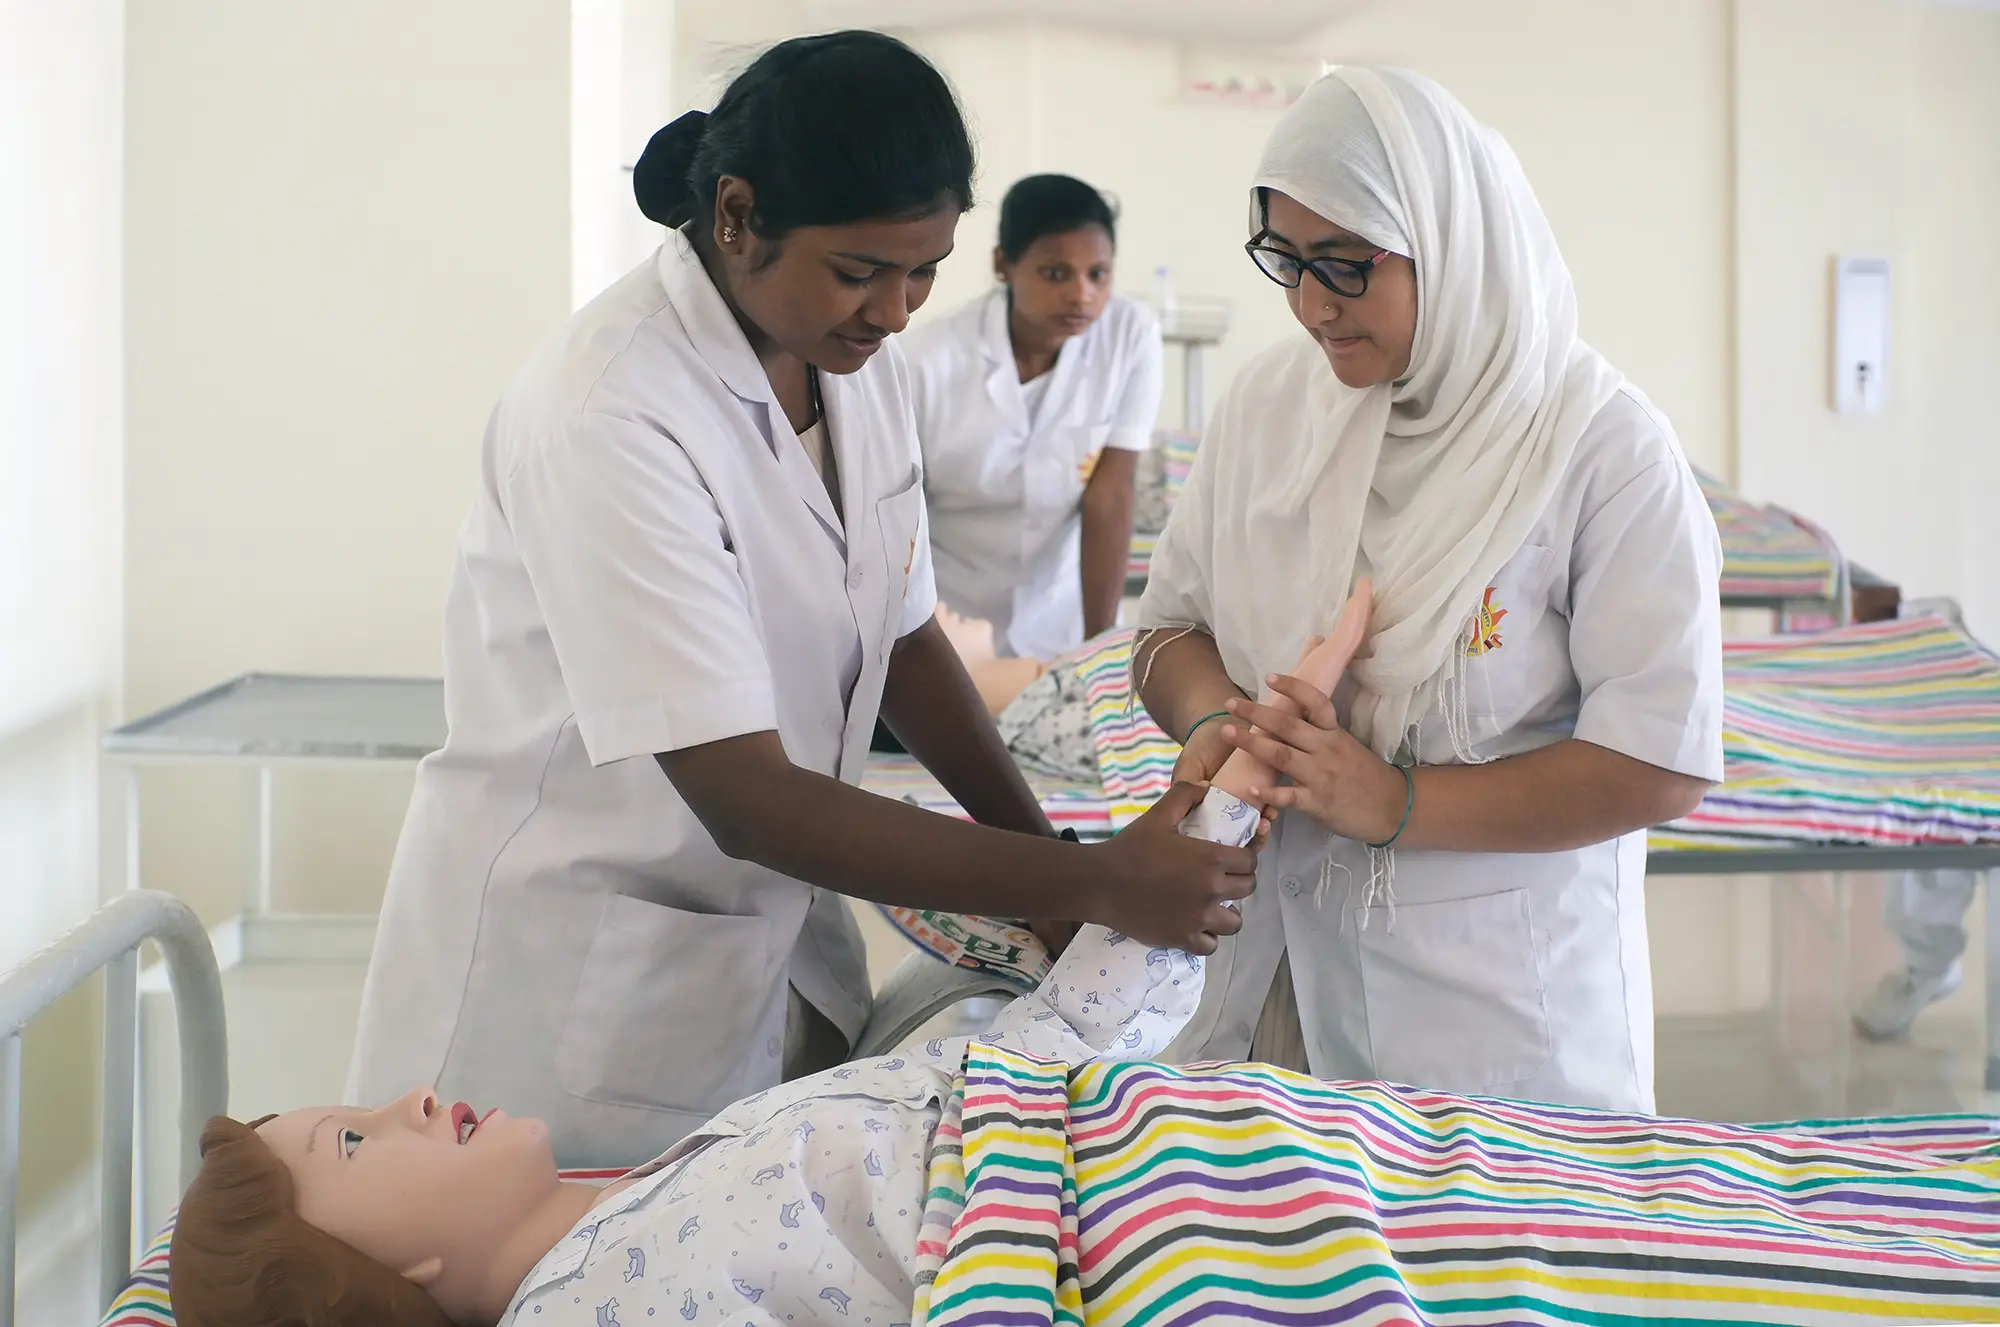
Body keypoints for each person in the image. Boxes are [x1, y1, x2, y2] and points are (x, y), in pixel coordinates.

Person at [345, 31, 1254, 1170]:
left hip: (763, 940)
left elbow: (904, 635)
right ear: (736, 215)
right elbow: (748, 801)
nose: (897, 311)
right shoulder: (611, 411)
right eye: (861, 270)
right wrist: (1092, 879)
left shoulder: (848, 365)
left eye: (924, 272)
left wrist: (1049, 874)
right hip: (574, 977)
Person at [171, 925, 2000, 1327]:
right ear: (386, 1272)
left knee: (1631, 1180)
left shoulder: (650, 1188)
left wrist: (1175, 875)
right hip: (1183, 1237)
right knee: (1641, 1245)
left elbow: (1005, 1064)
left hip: (1195, 1143)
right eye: (355, 1142)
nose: (404, 1090)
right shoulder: (599, 1308)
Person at [1133, 66, 1725, 1114]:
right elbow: (1168, 629)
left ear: (1448, 240)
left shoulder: (1598, 449)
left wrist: (1391, 800)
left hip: (1489, 1026)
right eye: (1285, 259)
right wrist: (1223, 723)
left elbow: (1659, 758)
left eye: (1344, 265)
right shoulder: (1267, 408)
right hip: (1269, 991)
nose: (1310, 304)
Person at [905, 174, 1163, 663]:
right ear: (1003, 264)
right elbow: (900, 523)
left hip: (1061, 621)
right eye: (1055, 273)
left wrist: (1100, 652)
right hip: (947, 623)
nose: (1082, 294)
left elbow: (1109, 496)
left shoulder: (1130, 335)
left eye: (1098, 274)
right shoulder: (925, 361)